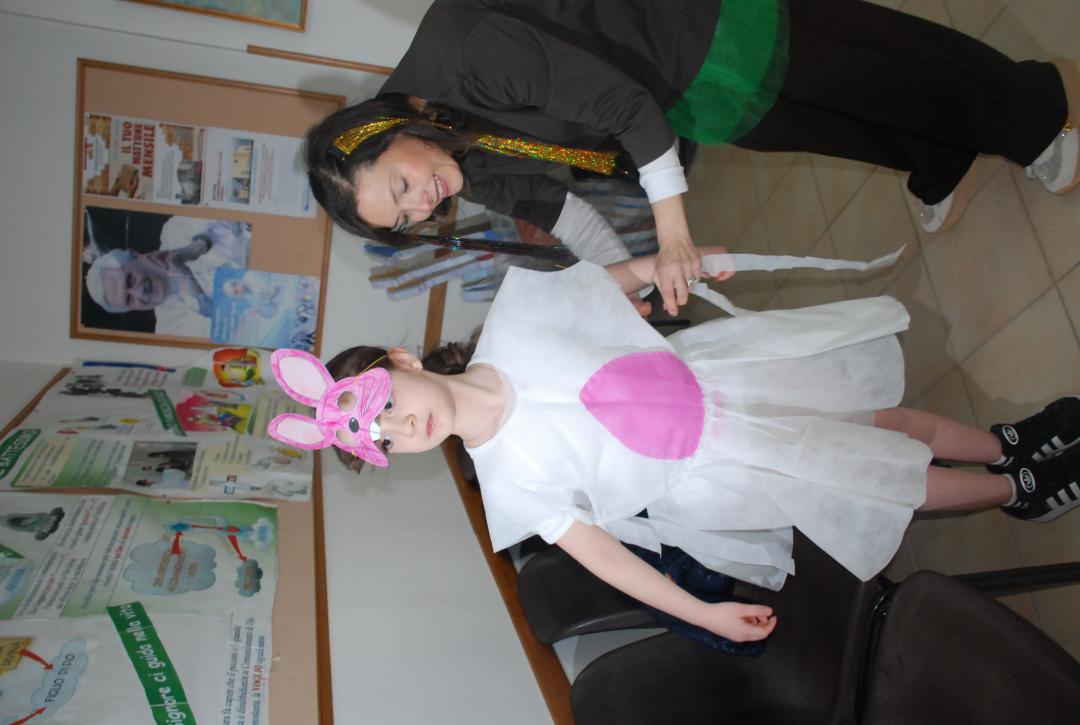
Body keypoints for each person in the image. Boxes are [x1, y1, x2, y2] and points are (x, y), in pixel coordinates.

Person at [267, 249, 1080, 642]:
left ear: (402, 360)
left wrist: (665, 263)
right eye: (380, 439)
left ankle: (1006, 443)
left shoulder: (515, 313)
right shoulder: (508, 486)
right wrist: (703, 612)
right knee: (880, 475)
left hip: (723, 378)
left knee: (883, 420)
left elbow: (603, 285)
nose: (399, 426)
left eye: (383, 404)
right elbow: (608, 557)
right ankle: (1021, 490)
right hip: (717, 471)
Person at [305, 0, 1080, 317]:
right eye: (406, 215)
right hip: (674, 93)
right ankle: (939, 155)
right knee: (819, 124)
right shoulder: (444, 153)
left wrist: (673, 231)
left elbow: (622, 108)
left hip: (687, 30)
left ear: (383, 128)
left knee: (875, 67)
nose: (425, 202)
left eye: (401, 185)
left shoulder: (464, 54)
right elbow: (553, 208)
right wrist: (628, 280)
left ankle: (1032, 113)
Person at [85, 218, 251, 337]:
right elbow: (240, 333)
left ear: (135, 255)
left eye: (130, 280)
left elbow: (236, 216)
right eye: (129, 299)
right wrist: (197, 296)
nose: (139, 292)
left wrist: (198, 246)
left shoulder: (175, 229)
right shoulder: (170, 330)